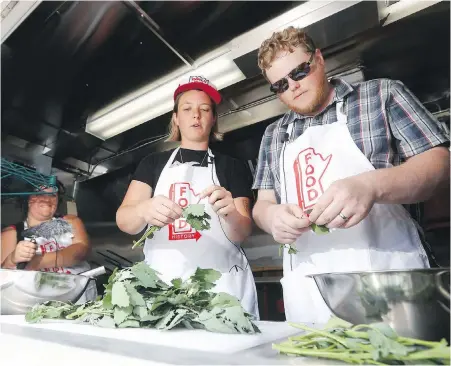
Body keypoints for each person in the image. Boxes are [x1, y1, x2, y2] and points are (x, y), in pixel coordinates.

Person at [252, 26, 450, 323]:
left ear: (318, 59)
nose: (292, 86)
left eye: (299, 72)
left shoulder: (382, 95)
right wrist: (271, 218)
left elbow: (440, 164)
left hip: (388, 281)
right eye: (279, 85)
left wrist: (372, 185)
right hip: (309, 296)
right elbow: (262, 204)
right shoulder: (273, 134)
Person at [116, 75, 259, 319]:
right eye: (187, 109)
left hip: (222, 290)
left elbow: (243, 231)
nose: (196, 115)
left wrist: (231, 214)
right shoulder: (152, 164)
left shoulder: (231, 167)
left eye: (205, 110)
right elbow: (125, 220)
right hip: (162, 289)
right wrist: (142, 210)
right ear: (176, 118)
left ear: (213, 119)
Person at [1, 186, 97, 303]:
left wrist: (36, 261)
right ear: (28, 198)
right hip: (35, 305)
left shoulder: (71, 221)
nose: (47, 199)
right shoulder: (11, 232)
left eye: (52, 195)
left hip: (80, 299)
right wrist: (12, 259)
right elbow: (4, 276)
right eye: (40, 193)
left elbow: (82, 251)